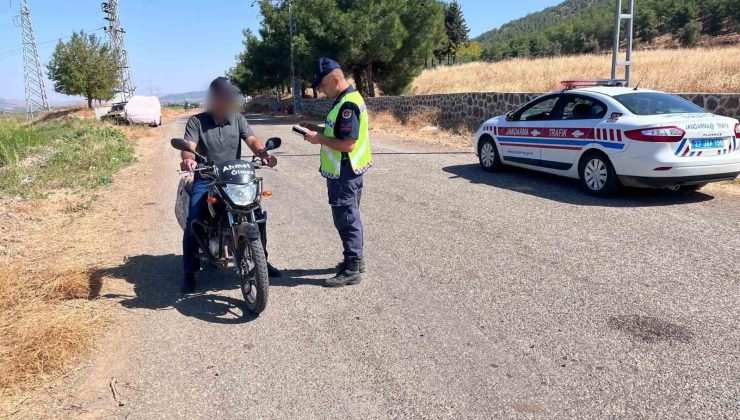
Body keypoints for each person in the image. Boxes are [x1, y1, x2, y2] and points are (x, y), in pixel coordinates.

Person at [180, 76, 281, 294]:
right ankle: (189, 272)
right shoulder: (197, 121)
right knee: (194, 219)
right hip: (207, 178)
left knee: (257, 215)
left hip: (234, 177)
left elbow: (252, 140)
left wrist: (263, 153)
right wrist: (189, 158)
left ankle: (261, 261)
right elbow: (189, 146)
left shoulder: (237, 118)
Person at [299, 58, 373, 288]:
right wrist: (319, 129)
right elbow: (338, 131)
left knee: (346, 217)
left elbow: (348, 144)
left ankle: (352, 267)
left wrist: (319, 139)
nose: (320, 89)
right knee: (350, 214)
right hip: (349, 170)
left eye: (322, 84)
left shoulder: (348, 105)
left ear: (335, 79)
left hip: (344, 172)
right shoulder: (347, 99)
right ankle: (355, 260)